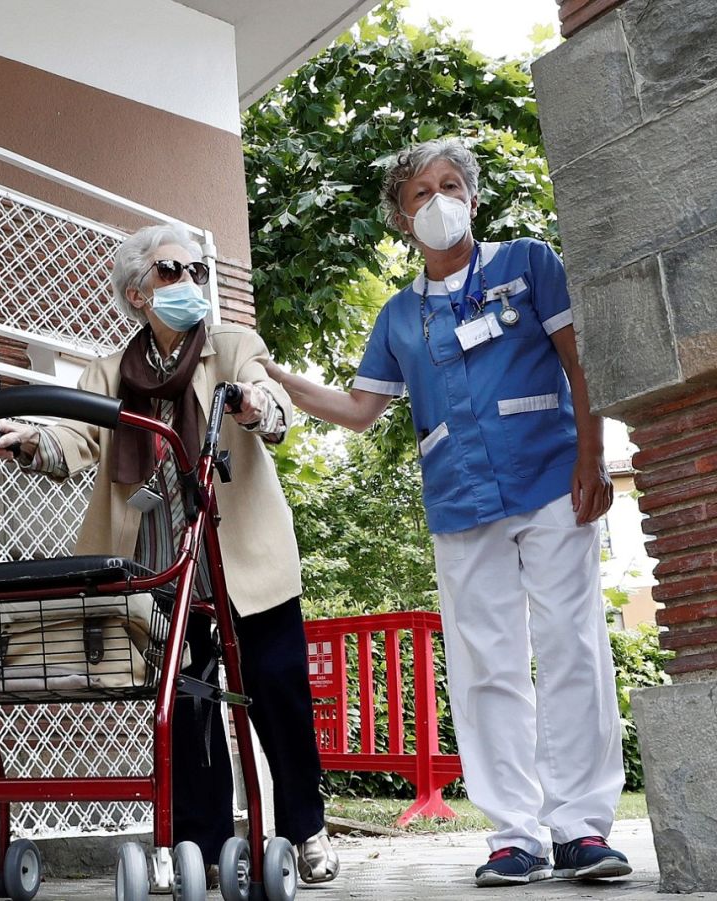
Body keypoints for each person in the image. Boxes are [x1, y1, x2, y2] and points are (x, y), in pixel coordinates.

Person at [263, 137, 628, 887]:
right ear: (402, 218)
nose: (438, 201)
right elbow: (361, 409)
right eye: (420, 193)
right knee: (485, 665)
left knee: (573, 646)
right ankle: (514, 834)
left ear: (474, 195)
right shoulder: (400, 315)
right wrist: (275, 376)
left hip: (553, 479)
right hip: (460, 500)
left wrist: (590, 454)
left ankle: (582, 828)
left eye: (450, 184)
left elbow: (577, 359)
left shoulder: (528, 263)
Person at [0, 223, 339, 884]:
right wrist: (31, 438)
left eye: (198, 271)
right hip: (163, 570)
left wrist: (263, 408)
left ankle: (305, 827)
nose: (191, 283)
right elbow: (78, 434)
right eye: (173, 271)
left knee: (279, 691)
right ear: (138, 294)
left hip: (244, 563)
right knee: (189, 712)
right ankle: (198, 850)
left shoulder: (231, 345)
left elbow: (269, 394)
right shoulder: (113, 372)